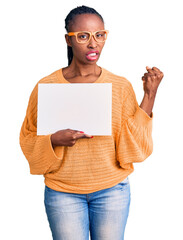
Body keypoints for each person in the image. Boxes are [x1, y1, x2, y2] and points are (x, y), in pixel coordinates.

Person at [19, 5, 164, 240]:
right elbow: (27, 138)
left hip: (112, 190)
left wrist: (150, 94)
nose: (93, 43)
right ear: (69, 40)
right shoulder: (46, 86)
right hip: (62, 192)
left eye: (99, 35)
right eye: (83, 36)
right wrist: (54, 139)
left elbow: (134, 147)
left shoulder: (119, 86)